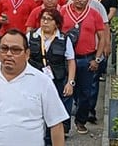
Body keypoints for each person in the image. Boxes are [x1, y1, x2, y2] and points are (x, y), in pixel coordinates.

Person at [0, 29, 69, 146]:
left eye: (15, 50)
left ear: (27, 54)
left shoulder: (42, 82)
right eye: (4, 49)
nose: (9, 54)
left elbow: (56, 124)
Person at [60, 0, 105, 135]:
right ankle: (65, 126)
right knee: (66, 93)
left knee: (86, 94)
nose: (79, 0)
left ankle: (81, 121)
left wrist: (97, 59)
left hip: (87, 59)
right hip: (66, 61)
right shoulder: (63, 11)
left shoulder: (94, 14)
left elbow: (102, 38)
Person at [27, 9, 76, 143]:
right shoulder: (31, 36)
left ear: (57, 23)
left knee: (53, 114)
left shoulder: (64, 39)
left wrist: (70, 82)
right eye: (43, 19)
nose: (45, 22)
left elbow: (71, 61)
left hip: (56, 81)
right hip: (34, 80)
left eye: (49, 19)